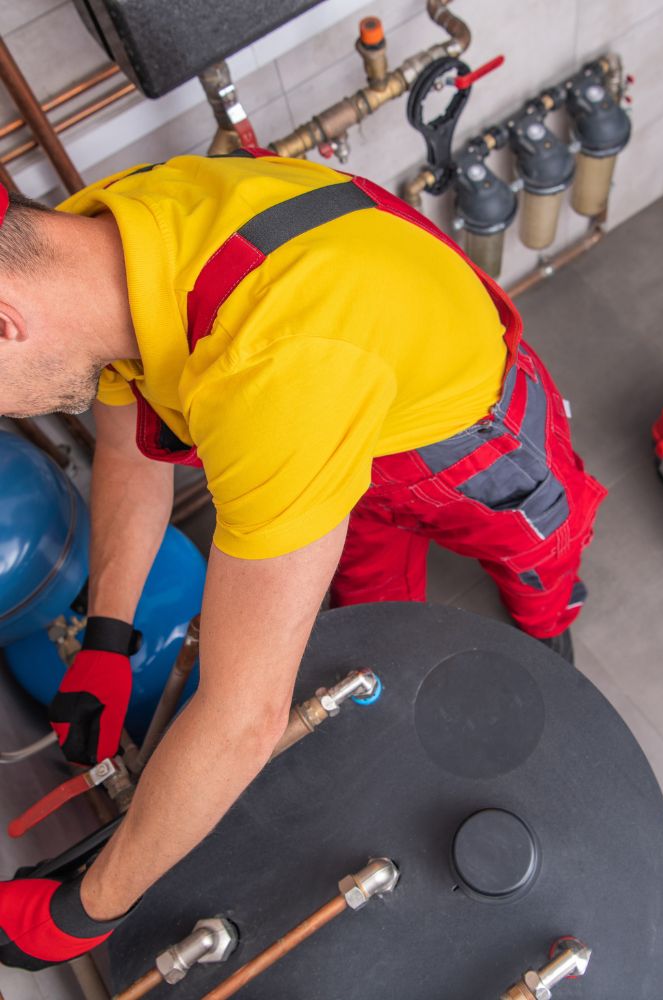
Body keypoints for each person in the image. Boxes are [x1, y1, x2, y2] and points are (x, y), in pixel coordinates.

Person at [0, 151, 605, 969]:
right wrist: (108, 637)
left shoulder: (273, 373)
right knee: (373, 605)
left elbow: (243, 717)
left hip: (474, 442)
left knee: (541, 562)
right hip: (360, 421)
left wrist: (88, 907)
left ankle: (548, 633)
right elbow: (131, 441)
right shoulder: (96, 238)